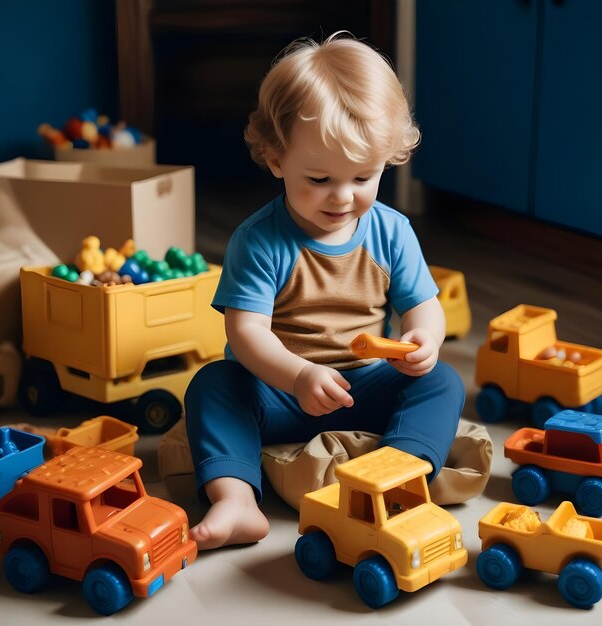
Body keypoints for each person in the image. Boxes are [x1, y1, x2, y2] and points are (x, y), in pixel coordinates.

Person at [185, 32, 465, 550]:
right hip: (283, 393)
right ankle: (236, 500)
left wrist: (422, 339)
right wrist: (296, 375)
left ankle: (398, 477)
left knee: (443, 383)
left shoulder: (392, 232)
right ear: (275, 158)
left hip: (366, 385)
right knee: (214, 386)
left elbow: (423, 305)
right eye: (318, 178)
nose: (342, 197)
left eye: (363, 176)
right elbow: (246, 334)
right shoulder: (261, 240)